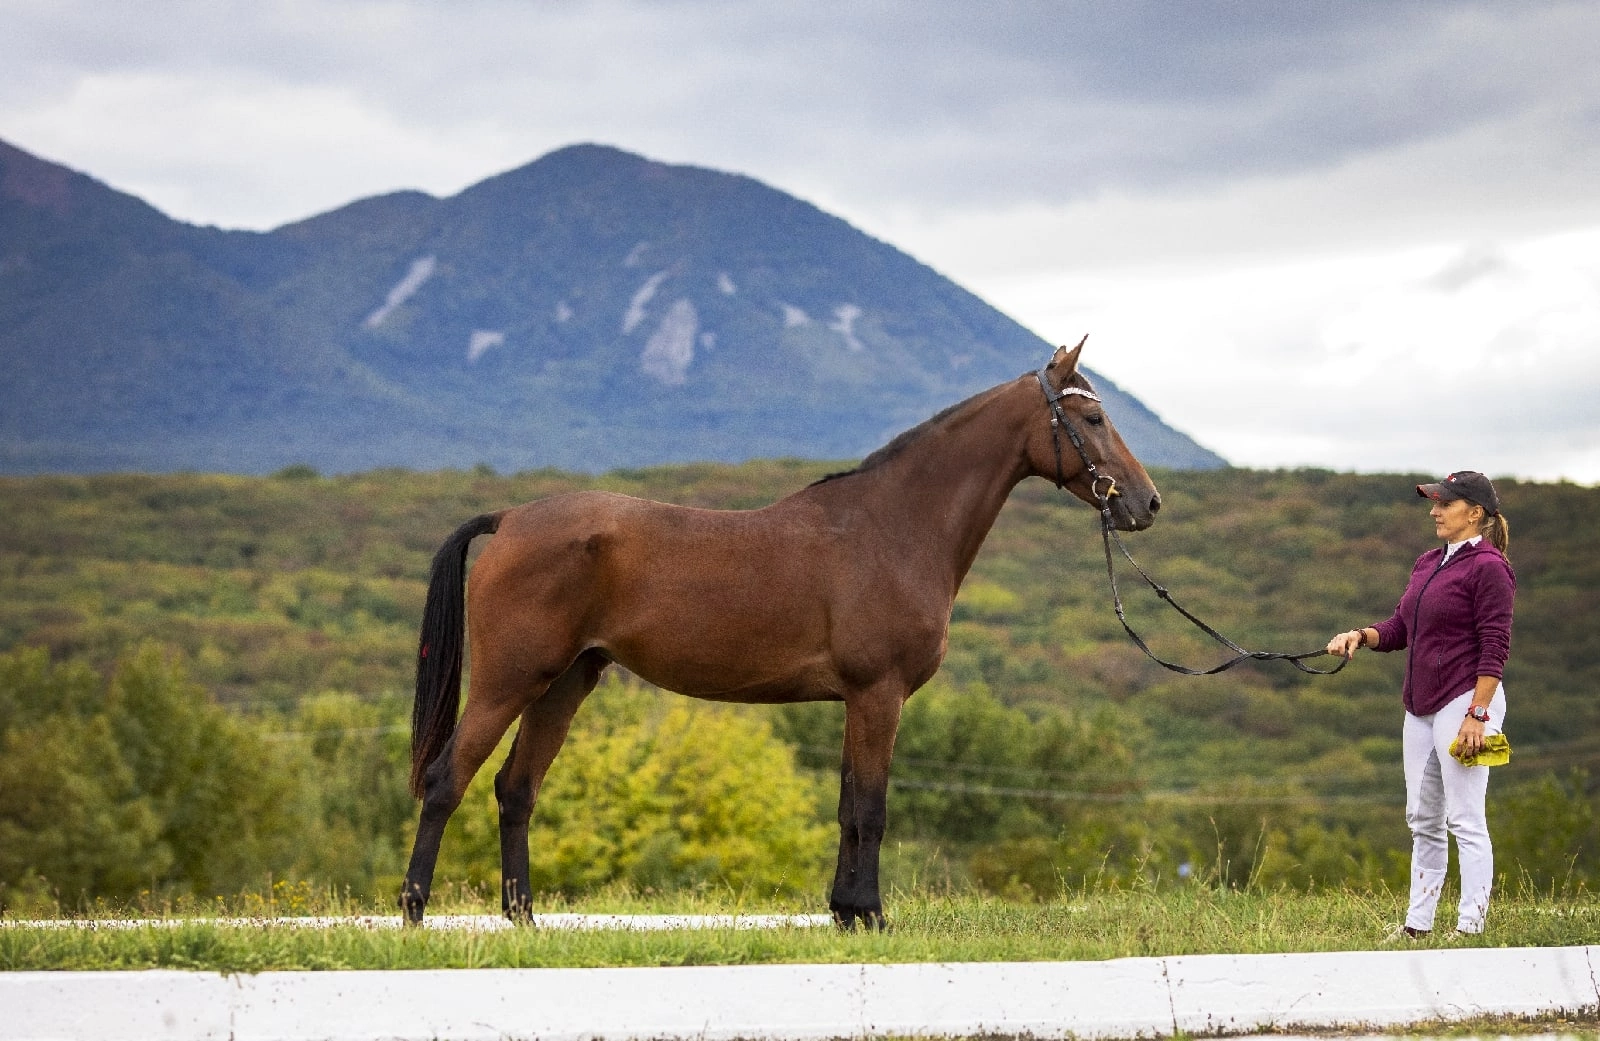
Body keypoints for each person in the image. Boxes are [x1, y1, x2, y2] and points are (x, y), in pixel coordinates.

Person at [1326, 470, 1515, 937]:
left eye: (1444, 504)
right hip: (1420, 705)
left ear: (1475, 513)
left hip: (1464, 701)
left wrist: (1478, 714)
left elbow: (1495, 645)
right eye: (1434, 503)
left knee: (1465, 819)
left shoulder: (1489, 567)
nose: (1434, 511)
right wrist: (1362, 636)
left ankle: (1471, 926)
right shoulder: (1428, 562)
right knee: (1422, 819)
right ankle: (1418, 927)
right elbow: (1401, 629)